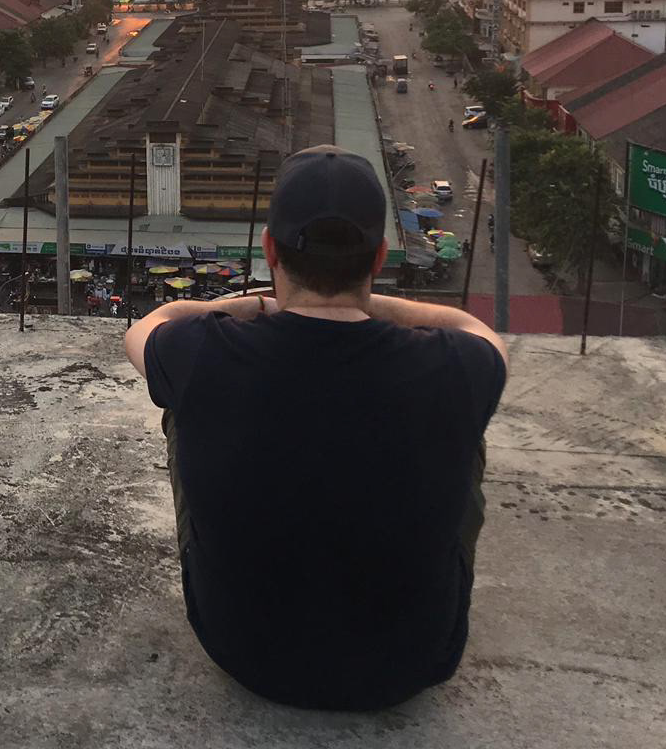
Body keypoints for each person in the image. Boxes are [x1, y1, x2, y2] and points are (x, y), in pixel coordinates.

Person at [124, 146, 507, 712]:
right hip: (413, 660)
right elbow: (478, 330)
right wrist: (375, 307)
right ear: (378, 257)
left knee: (180, 399)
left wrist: (259, 306)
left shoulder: (205, 353)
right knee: (464, 416)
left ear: (270, 249)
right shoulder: (455, 365)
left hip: (244, 652)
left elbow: (149, 325)